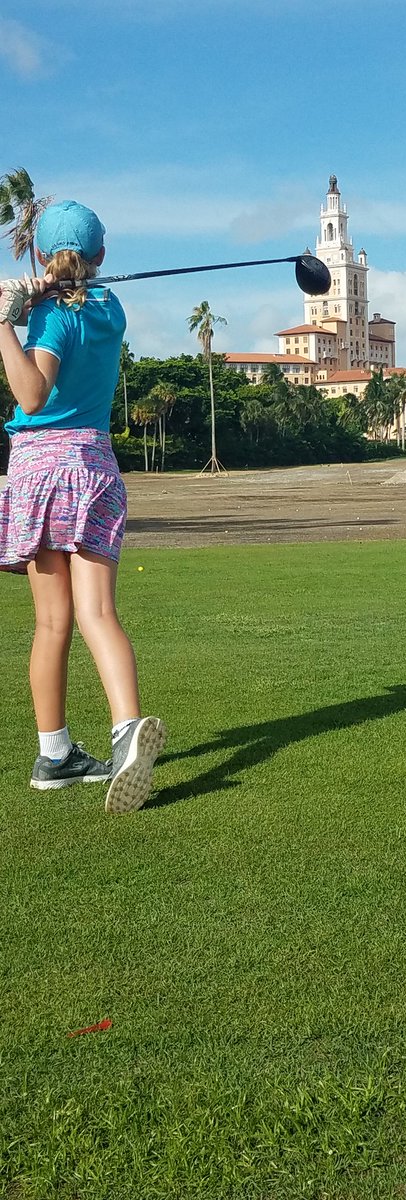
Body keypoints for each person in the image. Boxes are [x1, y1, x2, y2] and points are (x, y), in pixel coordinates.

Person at [0, 200, 166, 813]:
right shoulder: (111, 309)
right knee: (98, 612)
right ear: (101, 258)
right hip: (93, 465)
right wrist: (38, 299)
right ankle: (125, 733)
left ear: (39, 255)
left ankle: (54, 751)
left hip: (40, 468)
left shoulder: (46, 319)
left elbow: (32, 395)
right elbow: (75, 299)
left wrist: (4, 323)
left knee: (51, 623)